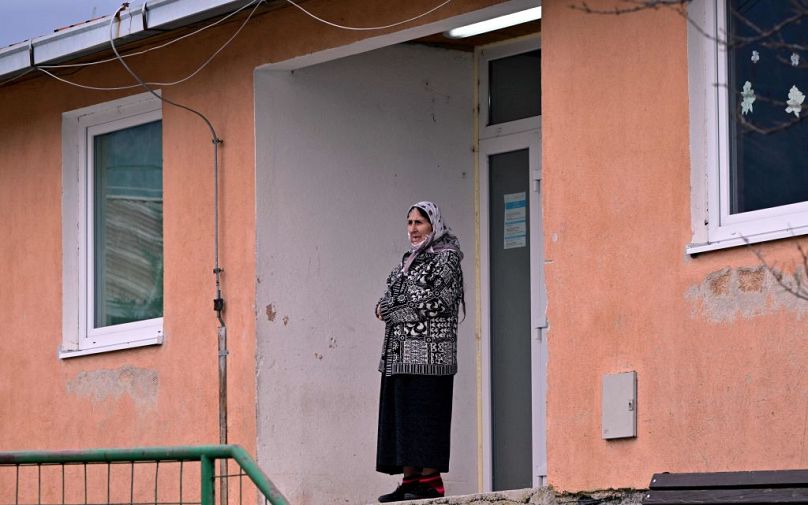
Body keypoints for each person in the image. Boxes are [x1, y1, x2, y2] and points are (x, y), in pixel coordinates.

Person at [375, 201, 465, 503]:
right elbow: (385, 300)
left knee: (426, 417)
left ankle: (430, 482)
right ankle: (409, 481)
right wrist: (395, 305)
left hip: (432, 356)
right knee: (404, 419)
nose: (413, 229)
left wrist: (394, 310)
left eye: (419, 222)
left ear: (433, 225)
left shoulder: (447, 258)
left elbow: (436, 302)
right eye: (410, 222)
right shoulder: (408, 261)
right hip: (399, 355)